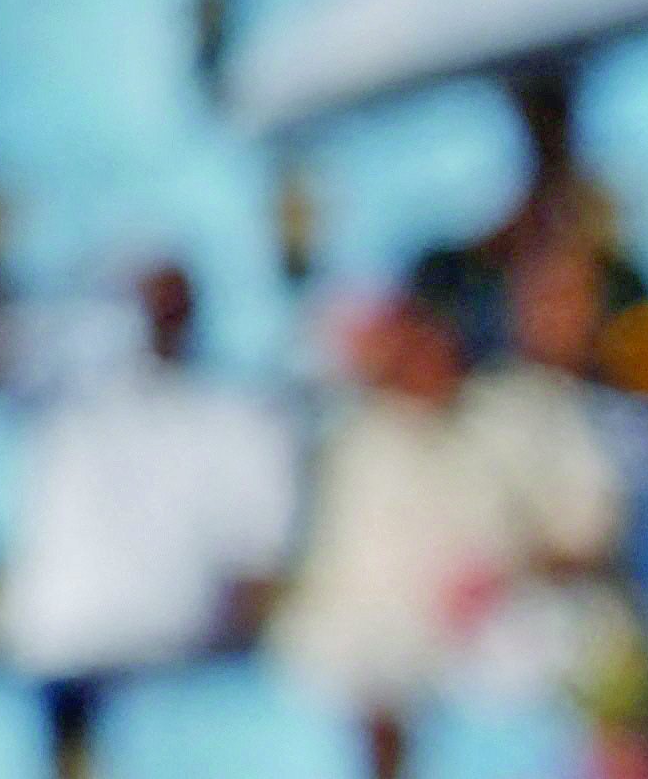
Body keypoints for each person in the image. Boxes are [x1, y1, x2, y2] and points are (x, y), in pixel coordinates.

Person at [266, 259, 629, 720]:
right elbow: (341, 577)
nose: (420, 360)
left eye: (427, 341)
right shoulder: (357, 443)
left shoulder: (526, 407)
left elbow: (592, 533)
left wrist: (511, 569)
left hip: (510, 624)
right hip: (398, 644)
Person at [0, 262, 300, 709]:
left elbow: (258, 572)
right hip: (49, 658)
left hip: (175, 666)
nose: (150, 315)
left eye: (167, 301)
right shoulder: (55, 387)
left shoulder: (242, 417)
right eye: (135, 300)